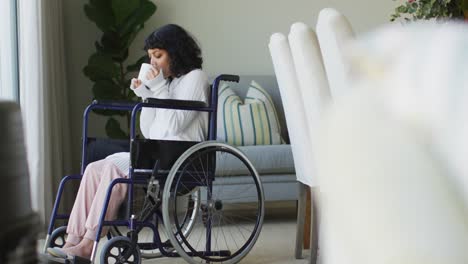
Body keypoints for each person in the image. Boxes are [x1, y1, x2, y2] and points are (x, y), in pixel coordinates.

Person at [47, 24, 209, 259]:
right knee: (94, 169)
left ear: (176, 52)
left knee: (114, 170)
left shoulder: (196, 78)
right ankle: (73, 238)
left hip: (181, 156)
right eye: (150, 56)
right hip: (160, 151)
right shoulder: (170, 83)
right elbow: (150, 129)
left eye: (158, 55)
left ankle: (88, 244)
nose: (153, 62)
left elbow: (174, 126)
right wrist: (147, 93)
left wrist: (158, 87)